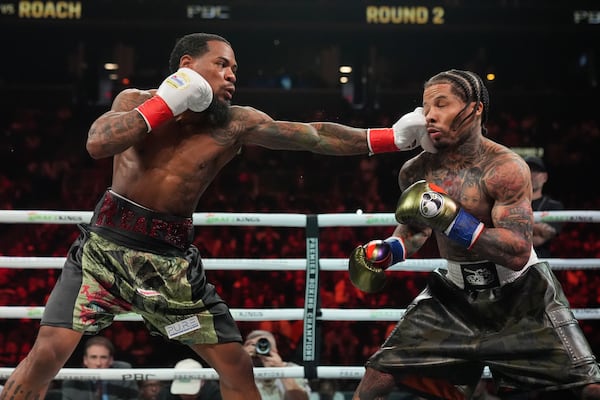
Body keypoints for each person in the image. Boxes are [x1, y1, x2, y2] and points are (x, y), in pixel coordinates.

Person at [0, 32, 432, 400]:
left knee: (236, 365)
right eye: (222, 65)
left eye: (235, 70)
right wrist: (166, 102)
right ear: (188, 65)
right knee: (46, 355)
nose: (231, 76)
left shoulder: (235, 124)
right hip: (103, 254)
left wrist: (391, 138)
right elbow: (98, 143)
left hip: (171, 267)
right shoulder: (137, 101)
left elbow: (314, 136)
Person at [348, 69, 600, 399]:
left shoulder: (505, 167)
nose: (430, 116)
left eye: (442, 104)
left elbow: (517, 250)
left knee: (590, 388)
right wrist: (386, 251)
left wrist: (453, 219)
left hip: (521, 293)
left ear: (475, 108)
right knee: (377, 378)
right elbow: (417, 229)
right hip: (454, 294)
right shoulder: (416, 170)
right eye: (426, 108)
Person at [61, 336, 139, 400]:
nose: (98, 363)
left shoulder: (124, 373)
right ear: (85, 360)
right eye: (93, 357)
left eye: (103, 357)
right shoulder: (72, 380)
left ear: (111, 360)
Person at [242, 330, 311, 400]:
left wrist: (281, 370)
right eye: (254, 345)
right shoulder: (240, 371)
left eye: (265, 344)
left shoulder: (292, 369)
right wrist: (240, 359)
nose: (260, 349)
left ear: (275, 350)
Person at [524, 155, 565, 258]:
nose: (532, 175)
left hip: (541, 261)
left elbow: (540, 239)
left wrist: (517, 225)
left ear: (545, 177)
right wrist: (537, 227)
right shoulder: (510, 202)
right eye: (528, 170)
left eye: (536, 171)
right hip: (513, 266)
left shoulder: (554, 206)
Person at [157, 358, 222, 400]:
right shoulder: (166, 395)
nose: (186, 395)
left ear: (202, 382)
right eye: (182, 390)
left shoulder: (214, 393)